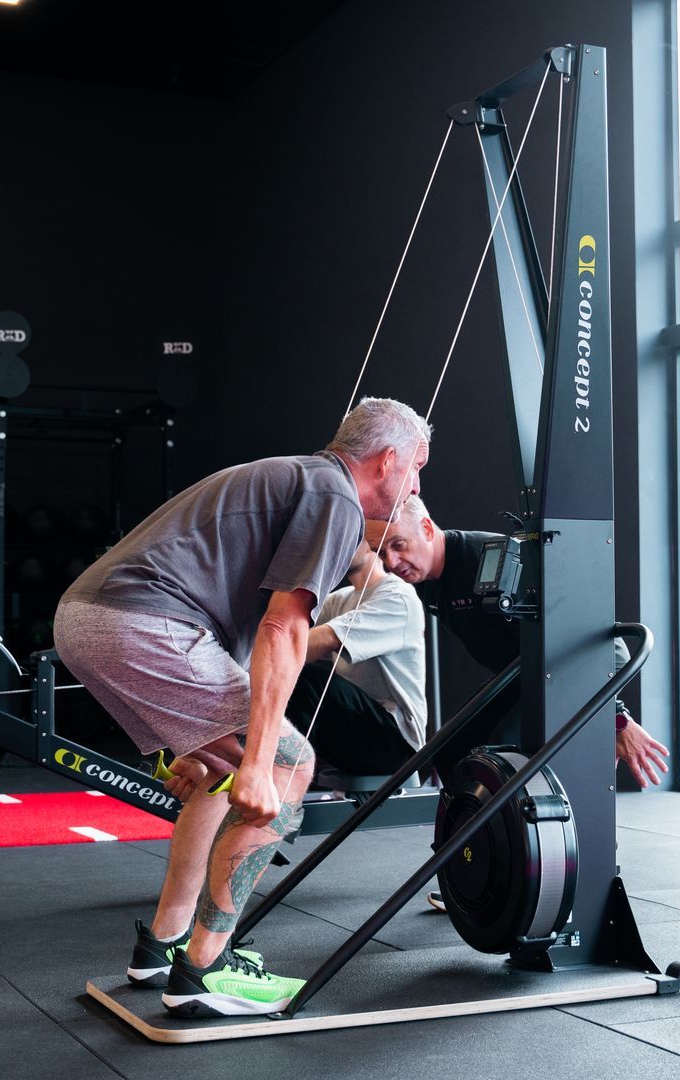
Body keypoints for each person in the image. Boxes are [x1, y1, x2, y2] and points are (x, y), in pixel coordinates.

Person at [54, 397, 430, 1018]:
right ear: (387, 461)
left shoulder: (296, 480)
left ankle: (165, 943)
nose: (416, 486)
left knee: (222, 772)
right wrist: (259, 762)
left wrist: (193, 746)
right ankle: (205, 970)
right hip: (141, 621)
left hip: (88, 618)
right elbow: (282, 629)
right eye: (416, 468)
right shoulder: (335, 497)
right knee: (288, 763)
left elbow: (238, 626)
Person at [371, 495, 669, 787]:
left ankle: (512, 819)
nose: (391, 562)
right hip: (524, 674)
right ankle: (469, 819)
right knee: (450, 748)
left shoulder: (482, 557)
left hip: (573, 664)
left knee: (501, 752)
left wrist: (616, 718)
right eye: (381, 552)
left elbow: (581, 639)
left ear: (426, 528)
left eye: (398, 545)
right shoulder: (423, 580)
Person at [284, 525, 428, 778]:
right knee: (289, 672)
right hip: (356, 729)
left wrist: (260, 658)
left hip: (397, 743)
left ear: (371, 543)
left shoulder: (398, 596)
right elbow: (291, 633)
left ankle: (281, 774)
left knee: (304, 678)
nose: (339, 546)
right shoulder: (339, 600)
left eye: (349, 537)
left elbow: (319, 640)